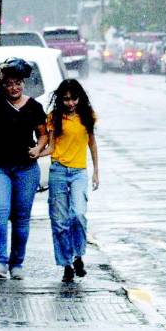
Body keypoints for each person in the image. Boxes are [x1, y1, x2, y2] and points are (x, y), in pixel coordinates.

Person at [0, 58, 48, 280]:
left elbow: (44, 134)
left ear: (23, 83)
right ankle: (0, 262)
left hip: (26, 169)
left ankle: (17, 263)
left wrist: (38, 148)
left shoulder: (34, 107)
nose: (13, 88)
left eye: (17, 83)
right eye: (8, 84)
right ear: (3, 85)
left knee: (21, 217)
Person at [42, 79, 100, 283]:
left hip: (79, 172)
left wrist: (96, 172)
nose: (70, 103)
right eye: (66, 99)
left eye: (74, 98)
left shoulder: (87, 117)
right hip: (58, 170)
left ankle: (78, 255)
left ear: (80, 98)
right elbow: (50, 147)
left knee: (78, 214)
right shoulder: (54, 118)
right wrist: (34, 153)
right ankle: (66, 264)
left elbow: (92, 143)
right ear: (60, 99)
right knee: (60, 221)